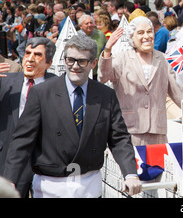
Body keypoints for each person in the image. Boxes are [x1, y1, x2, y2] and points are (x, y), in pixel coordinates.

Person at [2, 35, 142, 197]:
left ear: (93, 63)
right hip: (49, 186)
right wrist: (10, 179)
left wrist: (130, 173)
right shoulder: (42, 93)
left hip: (89, 185)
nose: (75, 66)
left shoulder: (106, 95)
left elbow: (119, 139)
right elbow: (22, 140)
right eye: (70, 60)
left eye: (81, 61)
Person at [98, 16, 183, 146]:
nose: (146, 36)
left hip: (157, 129)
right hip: (129, 129)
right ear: (132, 38)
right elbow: (103, 77)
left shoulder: (163, 59)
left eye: (149, 31)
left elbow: (176, 93)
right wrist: (108, 49)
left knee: (157, 166)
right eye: (140, 33)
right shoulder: (121, 59)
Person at [0, 37, 56, 197]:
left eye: (37, 55)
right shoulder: (5, 81)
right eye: (27, 53)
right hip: (8, 161)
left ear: (49, 63)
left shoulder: (58, 85)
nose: (30, 59)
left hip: (45, 161)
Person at [78, 14, 107, 80]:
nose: (89, 25)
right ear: (80, 26)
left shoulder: (100, 35)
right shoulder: (76, 36)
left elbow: (106, 50)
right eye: (86, 23)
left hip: (97, 72)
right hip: (82, 71)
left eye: (91, 23)